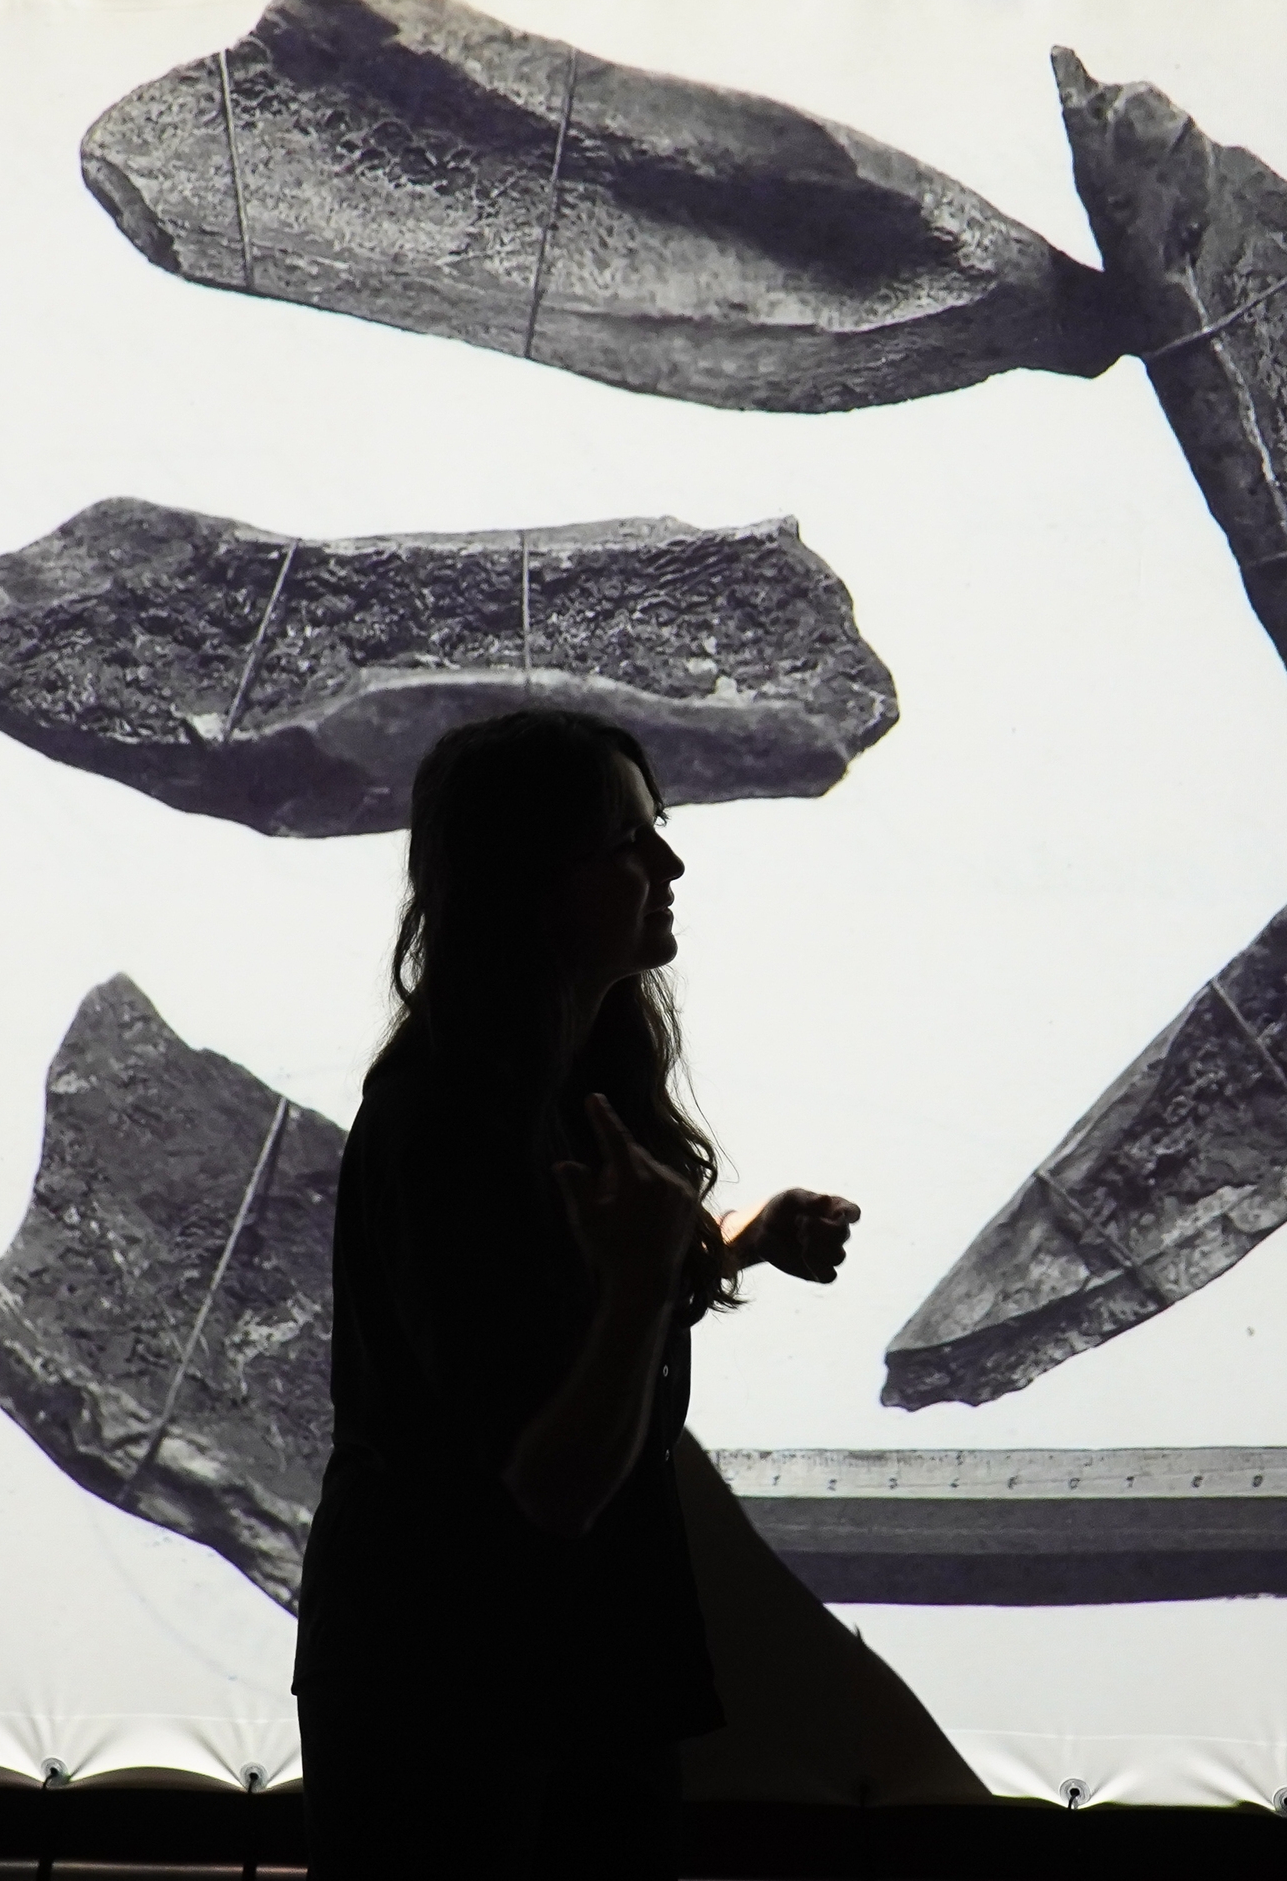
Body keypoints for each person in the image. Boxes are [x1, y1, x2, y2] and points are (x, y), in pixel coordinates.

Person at [292, 709, 861, 1879]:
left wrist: (735, 1243)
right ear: (532, 881)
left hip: (560, 1679)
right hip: (461, 1709)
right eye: (629, 842)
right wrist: (652, 1275)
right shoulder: (449, 1123)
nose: (669, 865)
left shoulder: (554, 1087)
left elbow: (565, 1297)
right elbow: (550, 1480)